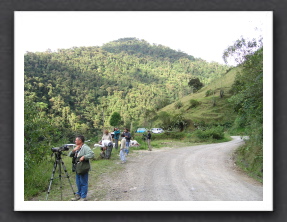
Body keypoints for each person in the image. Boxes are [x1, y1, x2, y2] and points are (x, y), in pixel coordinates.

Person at [69, 135, 94, 201]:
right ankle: (78, 195)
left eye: (76, 140)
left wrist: (84, 157)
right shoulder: (76, 147)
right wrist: (74, 150)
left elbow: (91, 154)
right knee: (78, 182)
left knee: (83, 182)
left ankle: (83, 196)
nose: (75, 141)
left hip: (83, 167)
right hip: (77, 167)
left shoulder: (85, 147)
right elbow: (69, 155)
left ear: (80, 141)